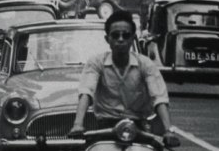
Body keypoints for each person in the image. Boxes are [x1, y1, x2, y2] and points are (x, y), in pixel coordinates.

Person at [68, 10, 174, 141]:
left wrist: (168, 130)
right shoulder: (96, 63)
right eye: (115, 35)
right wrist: (78, 125)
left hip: (138, 128)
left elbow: (159, 98)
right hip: (105, 127)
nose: (120, 39)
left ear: (132, 39)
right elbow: (86, 92)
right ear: (108, 39)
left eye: (126, 35)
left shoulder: (146, 64)